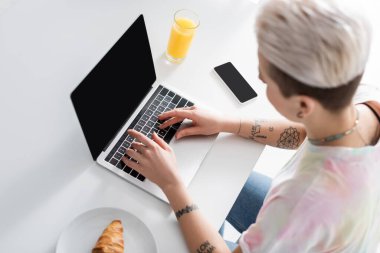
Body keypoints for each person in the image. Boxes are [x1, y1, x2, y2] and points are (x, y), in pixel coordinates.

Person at [121, 0, 380, 252]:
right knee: (205, 177)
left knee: (172, 219)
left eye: (267, 80)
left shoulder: (300, 201)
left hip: (307, 220)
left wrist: (172, 187)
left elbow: (294, 212)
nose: (260, 79)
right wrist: (226, 122)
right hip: (336, 227)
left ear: (303, 104)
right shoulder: (363, 99)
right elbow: (305, 133)